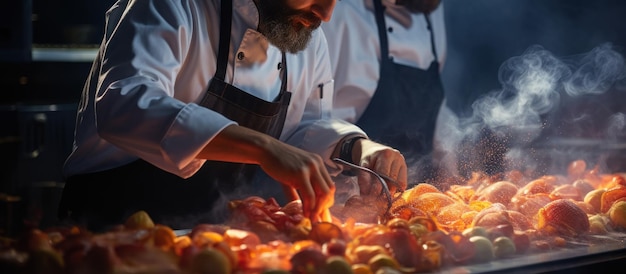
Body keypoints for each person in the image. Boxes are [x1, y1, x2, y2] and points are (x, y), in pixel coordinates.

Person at [58, 0, 408, 231]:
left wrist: (357, 148)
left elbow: (302, 130)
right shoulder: (171, 4)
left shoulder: (303, 33)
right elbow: (124, 103)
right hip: (112, 231)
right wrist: (261, 147)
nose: (326, 13)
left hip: (216, 239)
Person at [321, 0, 451, 186]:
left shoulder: (429, 6)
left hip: (420, 193)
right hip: (344, 195)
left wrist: (456, 158)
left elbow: (434, 108)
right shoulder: (336, 11)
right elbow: (308, 124)